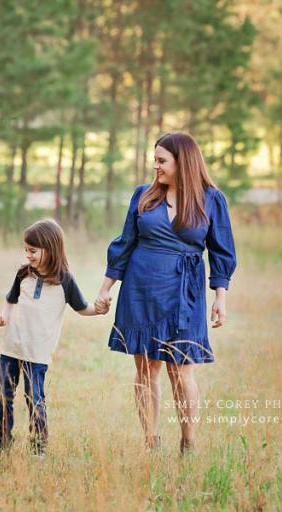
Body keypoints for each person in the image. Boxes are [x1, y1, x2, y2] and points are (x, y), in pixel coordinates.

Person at [94, 132, 237, 454]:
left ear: (182, 162)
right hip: (141, 288)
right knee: (146, 367)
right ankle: (151, 441)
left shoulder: (211, 199)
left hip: (184, 292)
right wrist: (105, 290)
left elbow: (222, 251)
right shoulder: (144, 195)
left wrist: (220, 297)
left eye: (161, 160)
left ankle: (188, 443)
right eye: (154, 160)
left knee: (181, 368)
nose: (155, 166)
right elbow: (124, 243)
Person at [0, 219, 102, 458]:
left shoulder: (65, 280)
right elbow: (10, 300)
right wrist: (4, 316)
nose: (28, 255)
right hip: (11, 346)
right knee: (3, 395)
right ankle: (3, 441)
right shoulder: (23, 274)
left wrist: (99, 309)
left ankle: (38, 445)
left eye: (33, 251)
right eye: (26, 250)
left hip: (37, 352)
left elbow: (82, 308)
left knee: (35, 397)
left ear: (50, 249)